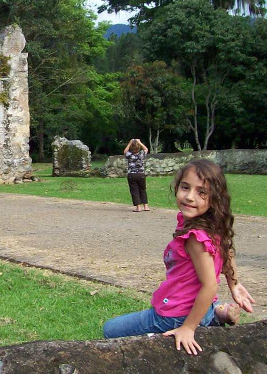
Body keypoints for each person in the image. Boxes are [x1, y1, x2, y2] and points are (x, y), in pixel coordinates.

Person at [103, 159, 255, 355]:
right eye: (185, 187)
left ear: (214, 198)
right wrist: (234, 284)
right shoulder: (211, 223)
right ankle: (215, 313)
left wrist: (188, 328)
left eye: (202, 192)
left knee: (110, 330)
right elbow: (227, 249)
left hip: (176, 314)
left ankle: (203, 320)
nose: (190, 197)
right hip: (197, 304)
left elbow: (210, 286)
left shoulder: (195, 238)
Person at [124, 138, 150, 212]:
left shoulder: (129, 155)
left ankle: (138, 207)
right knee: (143, 189)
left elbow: (125, 152)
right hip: (141, 174)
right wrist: (140, 142)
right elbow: (146, 149)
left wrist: (129, 143)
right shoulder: (141, 154)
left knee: (134, 190)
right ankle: (146, 206)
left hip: (132, 174)